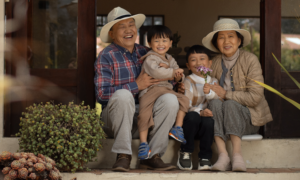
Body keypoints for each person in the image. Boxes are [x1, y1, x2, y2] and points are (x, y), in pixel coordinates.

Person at [94, 7, 183, 172]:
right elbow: (101, 95)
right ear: (112, 33)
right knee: (123, 95)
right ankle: (123, 155)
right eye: (122, 26)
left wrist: (178, 83)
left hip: (143, 118)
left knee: (170, 99)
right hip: (115, 120)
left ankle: (153, 156)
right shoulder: (106, 56)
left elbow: (162, 81)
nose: (128, 30)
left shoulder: (146, 52)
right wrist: (136, 85)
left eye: (131, 25)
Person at [202, 18, 273, 172]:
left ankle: (237, 155)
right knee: (214, 104)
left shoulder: (251, 60)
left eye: (230, 36)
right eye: (221, 37)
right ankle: (223, 156)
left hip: (249, 119)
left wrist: (226, 94)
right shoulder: (213, 63)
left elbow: (255, 97)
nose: (226, 41)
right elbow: (204, 88)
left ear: (239, 40)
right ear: (216, 43)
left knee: (230, 103)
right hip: (221, 118)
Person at [137, 25, 189, 160]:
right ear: (149, 43)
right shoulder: (150, 58)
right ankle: (143, 143)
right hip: (150, 91)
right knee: (144, 114)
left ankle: (177, 127)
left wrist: (178, 76)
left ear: (171, 43)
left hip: (166, 90)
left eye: (164, 41)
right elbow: (156, 72)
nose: (161, 44)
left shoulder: (170, 59)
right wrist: (172, 72)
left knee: (184, 100)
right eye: (156, 41)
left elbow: (179, 74)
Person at [177, 45, 219, 171]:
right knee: (193, 117)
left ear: (209, 63)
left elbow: (218, 99)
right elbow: (187, 103)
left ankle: (205, 157)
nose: (198, 62)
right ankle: (186, 151)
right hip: (192, 121)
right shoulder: (188, 81)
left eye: (202, 58)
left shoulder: (214, 81)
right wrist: (200, 112)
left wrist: (209, 92)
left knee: (209, 122)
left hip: (206, 120)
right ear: (188, 65)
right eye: (193, 60)